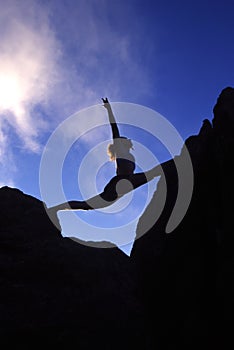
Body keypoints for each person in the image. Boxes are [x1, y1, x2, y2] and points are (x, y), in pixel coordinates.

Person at [47, 98, 164, 213]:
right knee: (87, 205)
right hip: (121, 182)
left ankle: (55, 209)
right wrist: (109, 110)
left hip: (127, 183)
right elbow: (114, 128)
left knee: (154, 173)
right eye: (125, 139)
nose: (128, 140)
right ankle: (55, 209)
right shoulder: (121, 150)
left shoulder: (129, 155)